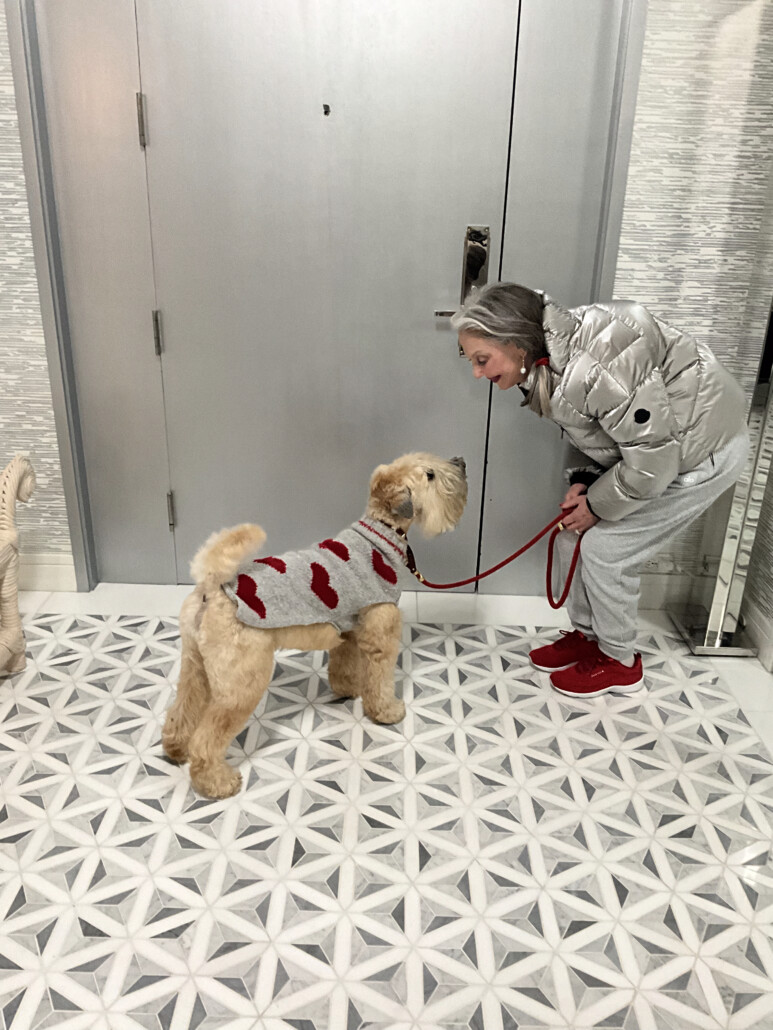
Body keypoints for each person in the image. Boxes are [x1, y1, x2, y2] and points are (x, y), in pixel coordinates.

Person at [452, 282, 749, 698]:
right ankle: (589, 636)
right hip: (657, 453)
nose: (477, 373)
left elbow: (654, 459)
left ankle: (620, 661)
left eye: (482, 360)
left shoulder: (595, 365)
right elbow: (607, 435)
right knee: (570, 536)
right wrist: (586, 482)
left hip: (700, 452)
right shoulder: (548, 361)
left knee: (606, 551)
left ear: (515, 343)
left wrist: (597, 505)